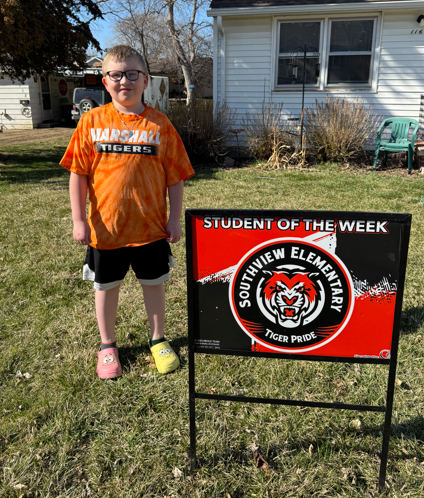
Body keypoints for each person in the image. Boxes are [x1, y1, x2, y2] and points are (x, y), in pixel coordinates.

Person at [60, 45, 194, 379]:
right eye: (116, 75)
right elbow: (78, 174)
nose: (124, 81)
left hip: (150, 230)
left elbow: (176, 177)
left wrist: (173, 218)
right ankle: (107, 346)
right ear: (105, 82)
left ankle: (158, 339)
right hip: (105, 231)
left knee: (154, 285)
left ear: (145, 80)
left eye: (132, 74)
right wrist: (79, 220)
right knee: (105, 288)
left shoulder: (160, 125)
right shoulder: (92, 122)